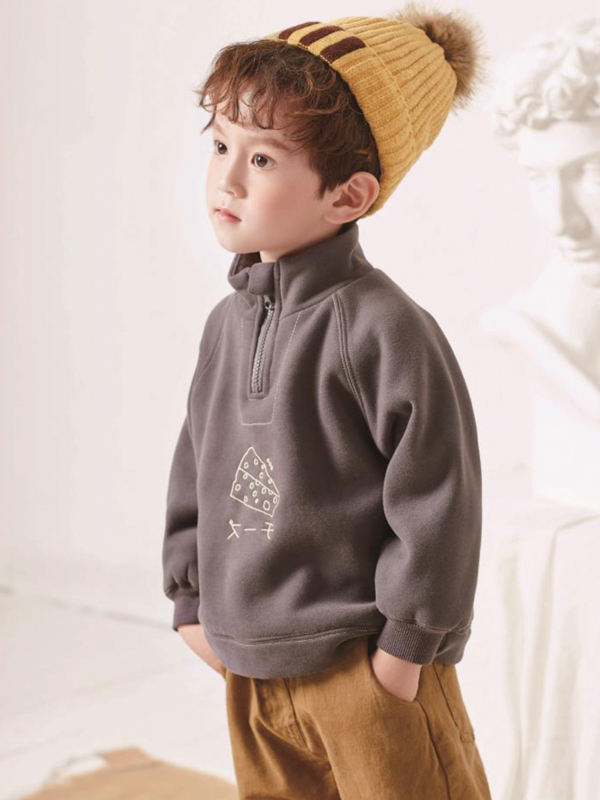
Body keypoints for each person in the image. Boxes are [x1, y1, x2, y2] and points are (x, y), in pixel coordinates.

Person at [162, 3, 494, 797]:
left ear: (347, 196)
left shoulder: (385, 328)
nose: (227, 179)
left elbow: (439, 495)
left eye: (263, 158)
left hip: (362, 668)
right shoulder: (226, 325)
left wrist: (403, 651)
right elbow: (196, 463)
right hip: (249, 669)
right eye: (220, 144)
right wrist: (189, 601)